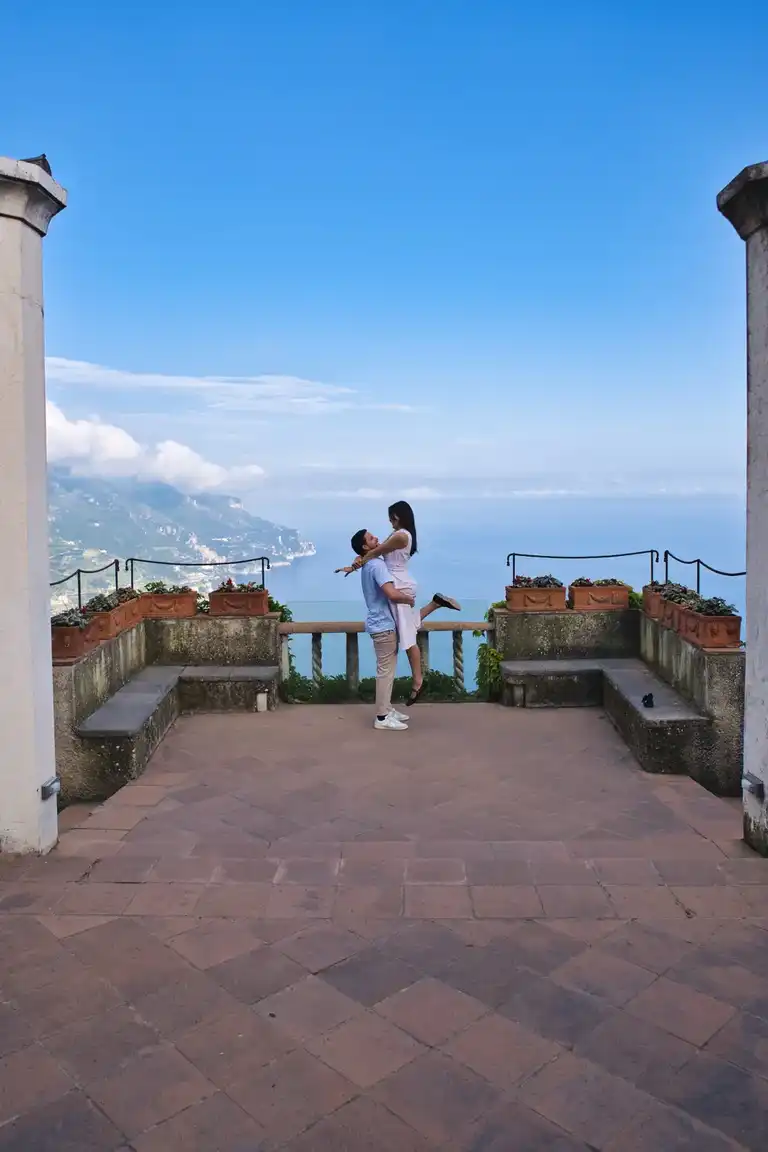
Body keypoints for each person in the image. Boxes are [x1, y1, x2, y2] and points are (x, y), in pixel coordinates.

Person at [339, 503, 460, 706]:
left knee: (408, 635)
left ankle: (418, 682)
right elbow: (374, 552)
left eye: (390, 517)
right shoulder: (399, 534)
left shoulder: (401, 536)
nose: (388, 521)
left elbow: (377, 551)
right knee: (408, 626)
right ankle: (435, 603)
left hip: (399, 585)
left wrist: (356, 564)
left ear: (397, 516)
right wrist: (358, 559)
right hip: (398, 582)